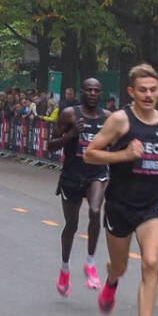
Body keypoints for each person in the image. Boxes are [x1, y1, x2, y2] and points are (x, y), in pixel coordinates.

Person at [83, 63, 158, 316]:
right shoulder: (120, 120)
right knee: (120, 266)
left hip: (153, 204)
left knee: (152, 262)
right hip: (120, 204)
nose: (148, 94)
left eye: (153, 90)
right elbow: (90, 153)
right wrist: (125, 155)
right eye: (142, 90)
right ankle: (112, 280)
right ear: (132, 91)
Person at [46, 77, 110, 295]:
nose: (92, 93)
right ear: (82, 92)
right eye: (88, 90)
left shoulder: (108, 118)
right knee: (71, 225)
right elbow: (50, 146)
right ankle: (65, 268)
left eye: (96, 90)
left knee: (94, 211)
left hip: (97, 174)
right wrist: (71, 134)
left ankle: (90, 263)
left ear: (101, 93)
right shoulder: (70, 115)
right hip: (72, 175)